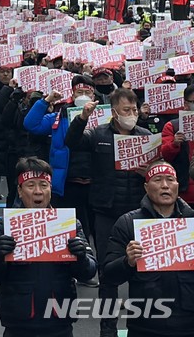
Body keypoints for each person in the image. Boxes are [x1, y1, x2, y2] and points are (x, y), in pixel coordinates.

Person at [64, 88, 152, 337]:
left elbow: (158, 173)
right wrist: (82, 118)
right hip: (106, 212)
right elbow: (71, 142)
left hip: (138, 212)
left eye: (134, 110)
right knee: (108, 271)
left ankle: (143, 324)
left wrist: (149, 173)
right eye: (126, 110)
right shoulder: (98, 134)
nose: (131, 114)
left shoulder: (145, 136)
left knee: (142, 270)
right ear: (114, 112)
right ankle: (108, 328)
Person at [0, 158, 97, 337]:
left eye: (43, 185)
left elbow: (88, 272)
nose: (38, 192)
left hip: (60, 321)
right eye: (30, 185)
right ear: (19, 191)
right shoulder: (3, 227)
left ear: (51, 189)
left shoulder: (70, 224)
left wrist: (80, 256)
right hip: (18, 323)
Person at [102, 161, 194, 337]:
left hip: (189, 324)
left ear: (177, 185)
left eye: (170, 180)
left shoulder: (192, 222)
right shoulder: (128, 223)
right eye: (158, 180)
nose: (165, 185)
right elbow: (108, 277)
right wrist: (127, 262)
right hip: (144, 325)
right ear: (146, 187)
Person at [23, 75, 96, 241]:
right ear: (72, 94)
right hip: (66, 182)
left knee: (97, 230)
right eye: (79, 92)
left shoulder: (105, 115)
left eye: (87, 92)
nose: (83, 96)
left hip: (95, 183)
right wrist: (46, 101)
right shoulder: (60, 115)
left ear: (93, 97)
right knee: (68, 231)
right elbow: (31, 124)